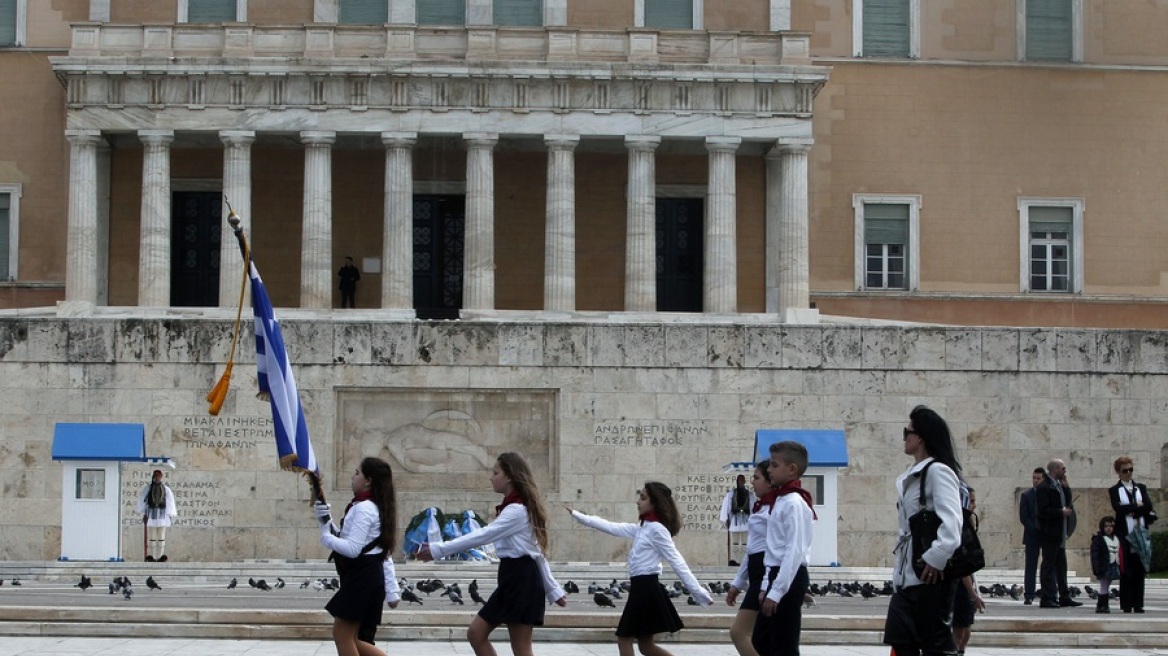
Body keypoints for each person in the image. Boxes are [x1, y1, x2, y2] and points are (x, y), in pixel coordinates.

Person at [417, 452, 566, 656]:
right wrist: (553, 589)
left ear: (510, 477)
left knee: (521, 648)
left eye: (496, 473)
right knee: (476, 634)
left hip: (522, 580)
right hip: (512, 578)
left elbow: (485, 536)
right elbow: (536, 552)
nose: (491, 477)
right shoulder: (514, 508)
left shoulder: (516, 510)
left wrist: (437, 549)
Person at [568, 481, 713, 656]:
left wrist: (699, 592)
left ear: (655, 503)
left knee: (624, 638)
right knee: (646, 646)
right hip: (641, 588)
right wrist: (578, 515)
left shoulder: (657, 530)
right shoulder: (642, 528)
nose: (638, 501)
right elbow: (612, 527)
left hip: (647, 589)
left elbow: (677, 561)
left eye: (643, 498)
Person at [883, 405, 964, 656]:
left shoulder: (938, 471)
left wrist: (936, 558)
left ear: (921, 436)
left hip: (929, 575)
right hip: (907, 577)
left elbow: (953, 521)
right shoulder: (912, 476)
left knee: (935, 646)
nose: (904, 438)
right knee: (901, 641)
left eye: (907, 432)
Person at [314, 457, 401, 656]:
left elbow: (353, 548)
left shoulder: (364, 508)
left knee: (343, 636)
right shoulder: (369, 506)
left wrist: (325, 537)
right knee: (352, 638)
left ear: (368, 480)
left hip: (363, 578)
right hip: (366, 576)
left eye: (356, 473)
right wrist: (325, 522)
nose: (352, 477)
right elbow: (352, 540)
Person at [752, 440, 815, 656]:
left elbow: (794, 551)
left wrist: (777, 591)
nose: (769, 470)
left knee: (783, 644)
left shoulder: (793, 503)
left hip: (790, 576)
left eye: (774, 465)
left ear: (791, 469)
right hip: (777, 573)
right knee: (761, 640)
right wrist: (765, 585)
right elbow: (773, 549)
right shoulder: (780, 500)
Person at [725, 461, 775, 656]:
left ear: (770, 482)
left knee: (738, 632)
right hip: (757, 574)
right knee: (761, 639)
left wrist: (765, 585)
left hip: (765, 574)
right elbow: (751, 550)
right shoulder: (761, 508)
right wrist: (738, 583)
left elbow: (777, 551)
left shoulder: (775, 509)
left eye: (756, 478)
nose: (752, 482)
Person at [1108, 455, 1157, 613]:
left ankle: (1138, 603)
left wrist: (1131, 507)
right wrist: (1137, 505)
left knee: (1139, 569)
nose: (1128, 473)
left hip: (1140, 534)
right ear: (1118, 472)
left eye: (1130, 470)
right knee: (1126, 570)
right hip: (1125, 535)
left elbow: (1148, 506)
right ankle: (1127, 604)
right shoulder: (1115, 490)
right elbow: (1119, 510)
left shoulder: (1140, 488)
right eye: (1125, 470)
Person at [1036, 458, 1080, 608]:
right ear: (1055, 469)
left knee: (1061, 566)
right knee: (1048, 565)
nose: (1065, 470)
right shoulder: (1045, 487)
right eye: (1063, 468)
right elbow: (1042, 511)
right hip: (1050, 533)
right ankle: (1047, 597)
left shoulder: (1059, 485)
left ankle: (1064, 595)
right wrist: (1060, 512)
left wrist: (1067, 488)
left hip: (1060, 533)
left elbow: (1067, 503)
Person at [951, 486, 985, 656]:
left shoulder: (967, 525)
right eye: (971, 501)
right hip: (959, 585)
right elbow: (962, 566)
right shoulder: (958, 527)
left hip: (965, 583)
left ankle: (960, 651)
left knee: (965, 629)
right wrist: (973, 594)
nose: (974, 505)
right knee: (960, 630)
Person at [135, 469, 177, 562]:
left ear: (161, 477)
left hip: (162, 515)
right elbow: (143, 499)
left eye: (159, 476)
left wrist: (170, 513)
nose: (157, 478)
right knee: (153, 537)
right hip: (152, 514)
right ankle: (153, 556)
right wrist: (143, 512)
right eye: (156, 476)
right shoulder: (149, 488)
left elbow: (170, 502)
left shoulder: (166, 489)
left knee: (161, 536)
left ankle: (160, 556)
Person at [1018, 467, 1044, 604]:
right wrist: (1033, 528)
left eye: (1038, 478)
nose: (1036, 481)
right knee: (1031, 565)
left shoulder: (1048, 494)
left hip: (1045, 534)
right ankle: (1029, 593)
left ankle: (1047, 591)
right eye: (1034, 478)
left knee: (1047, 565)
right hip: (1032, 535)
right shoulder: (1026, 495)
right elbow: (1023, 516)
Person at [720, 473, 754, 566]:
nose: (741, 482)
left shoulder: (750, 494)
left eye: (742, 480)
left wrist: (754, 520)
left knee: (744, 543)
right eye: (739, 480)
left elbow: (753, 508)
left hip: (746, 520)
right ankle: (736, 560)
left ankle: (743, 561)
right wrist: (725, 519)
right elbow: (726, 507)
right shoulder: (731, 494)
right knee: (735, 543)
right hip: (735, 520)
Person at [1089, 515, 1120, 614]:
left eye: (1111, 526)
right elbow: (1094, 554)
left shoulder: (1116, 538)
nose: (1109, 528)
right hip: (1104, 566)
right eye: (1106, 526)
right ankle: (1102, 605)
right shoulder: (1098, 539)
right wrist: (1096, 567)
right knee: (1104, 585)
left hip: (1113, 565)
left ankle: (1103, 605)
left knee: (1107, 584)